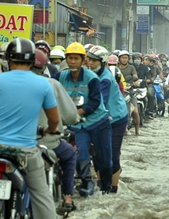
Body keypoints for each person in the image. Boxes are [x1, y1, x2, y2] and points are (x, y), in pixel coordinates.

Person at [0, 38, 59, 219]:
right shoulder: (43, 84)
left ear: (9, 59)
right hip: (26, 151)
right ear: (33, 60)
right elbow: (55, 120)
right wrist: (50, 129)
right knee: (41, 195)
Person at [51, 42, 111, 196]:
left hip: (98, 121)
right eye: (70, 58)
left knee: (104, 158)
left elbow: (95, 101)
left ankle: (107, 187)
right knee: (80, 153)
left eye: (76, 58)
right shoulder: (59, 77)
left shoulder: (92, 78)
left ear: (83, 60)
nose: (72, 62)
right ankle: (87, 183)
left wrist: (75, 113)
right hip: (78, 126)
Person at [30, 49, 78, 212]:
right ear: (44, 67)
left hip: (8, 141)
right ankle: (68, 198)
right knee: (70, 154)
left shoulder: (2, 81)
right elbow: (71, 115)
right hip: (45, 143)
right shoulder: (51, 84)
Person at [87, 46, 128, 194]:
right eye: (89, 59)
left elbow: (100, 102)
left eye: (94, 60)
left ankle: (112, 189)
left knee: (112, 154)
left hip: (116, 118)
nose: (90, 63)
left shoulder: (105, 79)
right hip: (98, 118)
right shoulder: (88, 75)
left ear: (102, 62)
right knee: (97, 154)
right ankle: (101, 185)